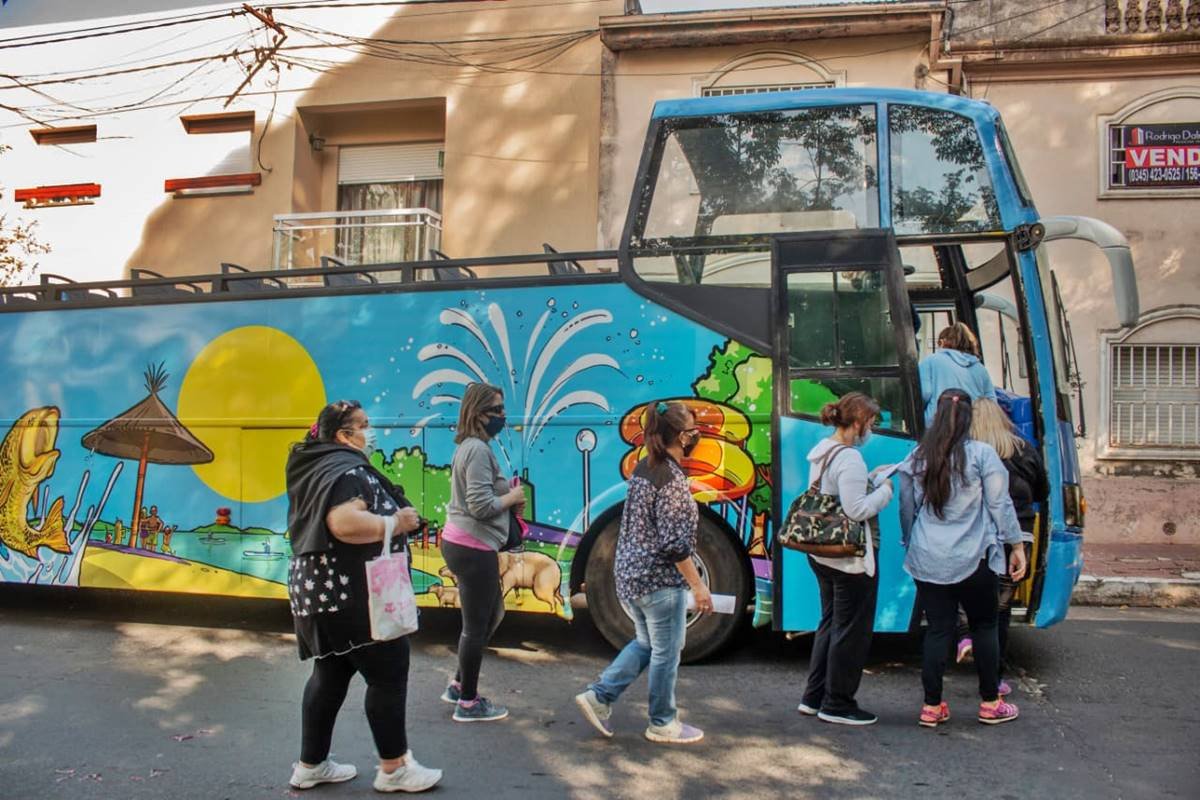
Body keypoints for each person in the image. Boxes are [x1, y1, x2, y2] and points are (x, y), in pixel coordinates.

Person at [284, 400, 442, 792]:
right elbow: (342, 522)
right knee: (389, 671)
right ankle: (394, 768)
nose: (369, 432)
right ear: (343, 435)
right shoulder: (347, 470)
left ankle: (311, 764)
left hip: (321, 593)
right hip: (353, 593)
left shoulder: (317, 465)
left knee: (331, 673)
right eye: (364, 426)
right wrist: (395, 522)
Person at [574, 400, 712, 744]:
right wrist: (698, 587)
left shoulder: (642, 469)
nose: (696, 437)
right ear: (681, 437)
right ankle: (662, 722)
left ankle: (600, 696)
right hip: (659, 582)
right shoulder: (673, 481)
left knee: (647, 643)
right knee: (667, 651)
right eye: (693, 432)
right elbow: (675, 545)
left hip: (630, 576)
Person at [899, 389, 1027, 727]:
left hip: (928, 558)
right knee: (985, 626)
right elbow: (1000, 505)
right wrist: (1016, 545)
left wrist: (910, 541)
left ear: (935, 416)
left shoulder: (917, 457)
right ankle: (990, 703)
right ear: (969, 418)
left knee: (938, 629)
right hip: (975, 558)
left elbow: (907, 507)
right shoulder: (983, 455)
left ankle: (931, 707)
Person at [796, 393, 894, 726]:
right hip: (848, 560)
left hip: (821, 556)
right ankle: (838, 704)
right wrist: (885, 491)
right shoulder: (850, 458)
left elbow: (834, 495)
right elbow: (856, 510)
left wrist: (869, 480)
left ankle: (814, 697)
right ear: (856, 423)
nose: (871, 430)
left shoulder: (823, 451)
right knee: (851, 632)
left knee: (829, 624)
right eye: (870, 423)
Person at [439, 382, 527, 723]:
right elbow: (479, 505)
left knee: (493, 614)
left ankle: (459, 685)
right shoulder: (475, 450)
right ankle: (468, 702)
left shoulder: (473, 447)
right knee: (476, 626)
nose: (503, 416)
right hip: (471, 546)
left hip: (469, 543)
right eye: (497, 411)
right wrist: (512, 498)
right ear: (478, 415)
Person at [954, 398, 1049, 692]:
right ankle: (993, 679)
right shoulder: (1023, 449)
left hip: (975, 536)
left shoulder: (965, 453)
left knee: (968, 596)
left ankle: (966, 635)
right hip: (1017, 535)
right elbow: (1042, 490)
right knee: (1000, 610)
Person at [918, 322, 996, 426]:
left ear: (942, 342)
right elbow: (991, 401)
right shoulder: (980, 368)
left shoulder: (931, 360)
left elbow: (923, 394)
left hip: (938, 426)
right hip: (973, 427)